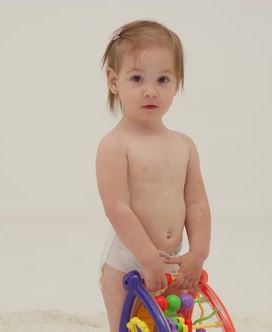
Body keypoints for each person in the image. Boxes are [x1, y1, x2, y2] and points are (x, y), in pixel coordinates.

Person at [96, 20, 212, 331]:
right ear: (114, 81)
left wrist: (198, 252)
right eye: (137, 78)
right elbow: (116, 208)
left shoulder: (184, 145)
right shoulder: (115, 145)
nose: (151, 90)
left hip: (173, 261)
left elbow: (197, 204)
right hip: (128, 261)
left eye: (163, 79)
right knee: (129, 325)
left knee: (171, 324)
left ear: (177, 82)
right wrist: (147, 258)